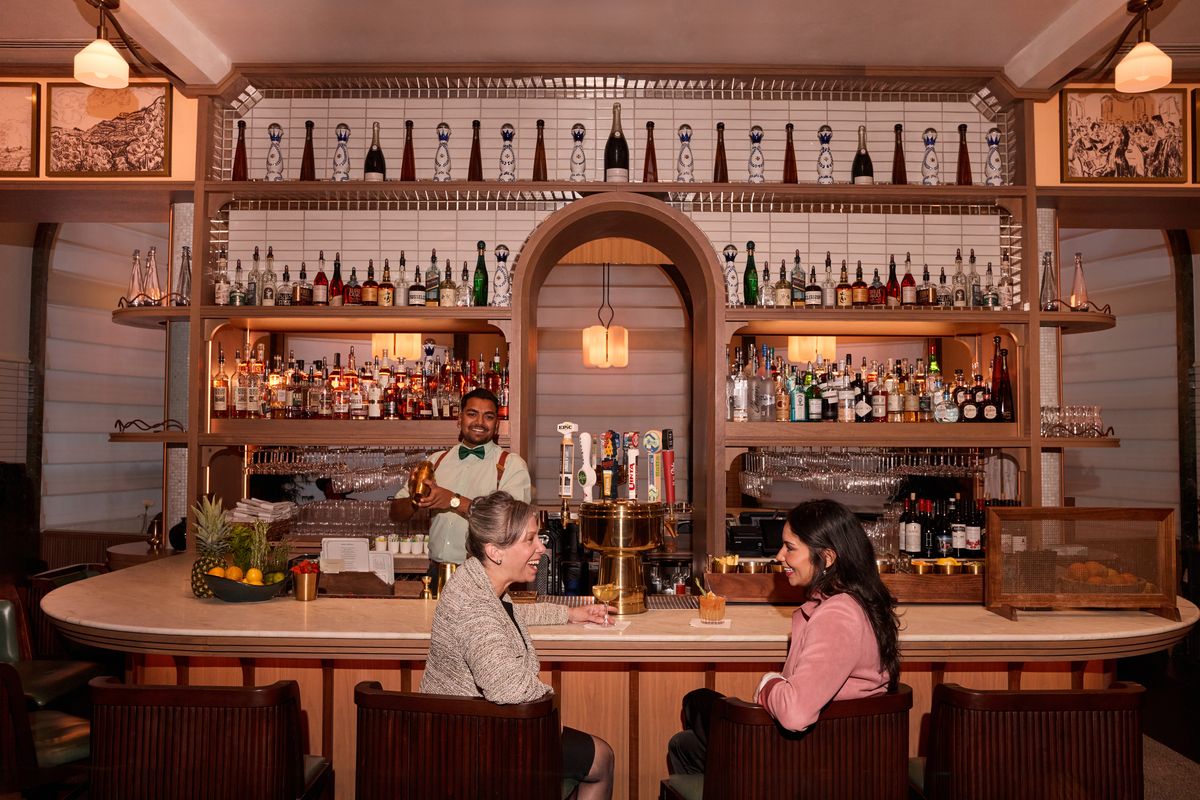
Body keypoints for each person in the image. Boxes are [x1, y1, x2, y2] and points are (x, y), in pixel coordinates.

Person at [667, 499, 900, 775]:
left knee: (695, 710)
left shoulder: (838, 613)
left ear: (827, 557)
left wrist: (769, 682)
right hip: (839, 744)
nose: (779, 556)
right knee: (695, 716)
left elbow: (795, 714)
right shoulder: (856, 600)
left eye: (790, 548)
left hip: (812, 758)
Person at [421, 490, 615, 799]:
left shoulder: (477, 579)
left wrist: (570, 614)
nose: (541, 548)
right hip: (475, 745)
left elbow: (508, 613)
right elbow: (510, 690)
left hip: (460, 730)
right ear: (496, 551)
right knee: (601, 758)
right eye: (530, 540)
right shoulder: (475, 607)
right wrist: (553, 713)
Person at [390, 388, 530, 571]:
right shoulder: (436, 461)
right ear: (459, 419)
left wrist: (453, 500)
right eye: (472, 414)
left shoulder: (511, 465)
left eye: (488, 416)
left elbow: (513, 524)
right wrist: (417, 499)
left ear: (496, 425)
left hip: (483, 575)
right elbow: (395, 513)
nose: (479, 422)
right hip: (435, 571)